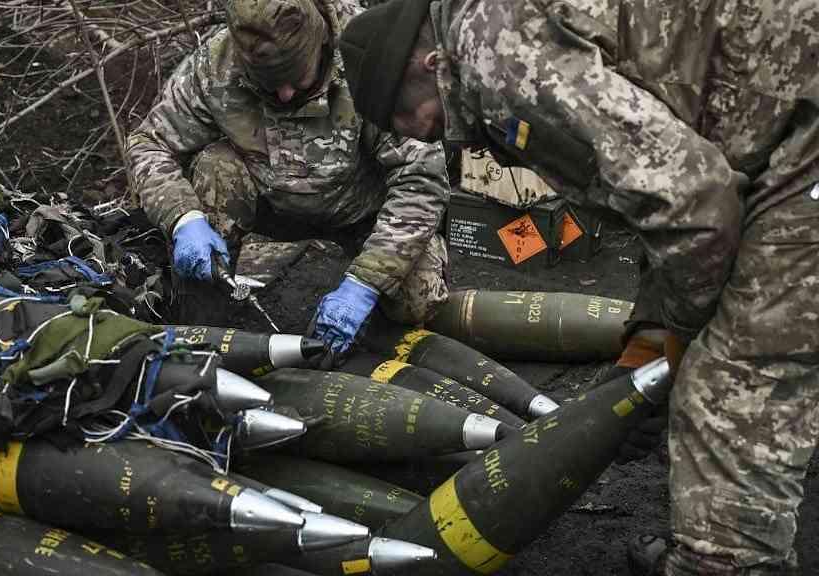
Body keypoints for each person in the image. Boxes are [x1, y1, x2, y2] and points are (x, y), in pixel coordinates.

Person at [338, 0, 818, 575]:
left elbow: (694, 209)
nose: (420, 135)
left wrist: (684, 341)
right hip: (782, 123)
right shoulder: (493, 32)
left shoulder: (494, 58)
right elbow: (657, 201)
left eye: (403, 117)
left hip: (800, 143)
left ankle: (727, 562)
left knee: (729, 384)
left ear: (426, 64)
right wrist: (648, 339)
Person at [127, 0, 451, 357]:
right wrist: (183, 218)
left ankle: (370, 340)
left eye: (297, 78)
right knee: (215, 166)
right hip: (269, 205)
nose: (285, 94)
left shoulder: (371, 55)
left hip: (362, 211)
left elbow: (421, 179)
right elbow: (148, 143)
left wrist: (367, 282)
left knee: (417, 299)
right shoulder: (215, 65)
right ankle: (202, 332)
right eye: (268, 83)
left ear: (322, 44)